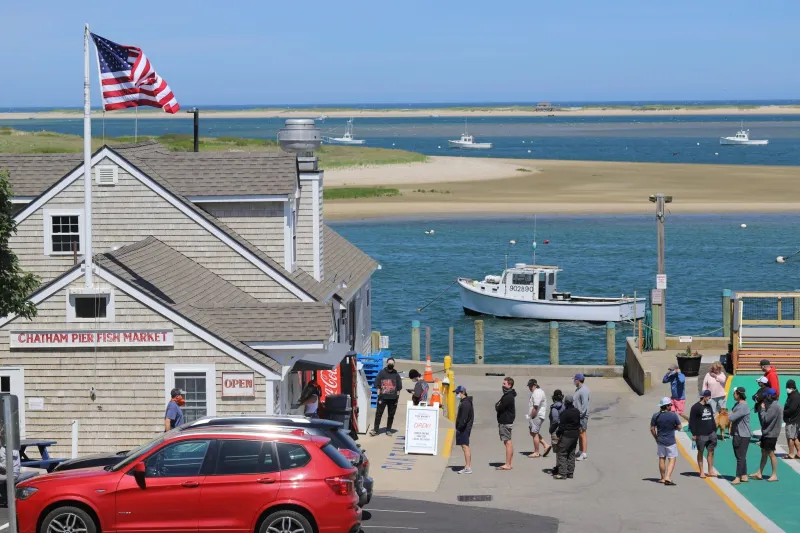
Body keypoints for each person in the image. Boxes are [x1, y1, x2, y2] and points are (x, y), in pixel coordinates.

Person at [650, 397, 682, 486]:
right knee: (672, 459)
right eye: (670, 405)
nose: (671, 406)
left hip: (660, 440)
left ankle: (663, 478)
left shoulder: (655, 415)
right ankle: (668, 476)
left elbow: (652, 429)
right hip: (671, 441)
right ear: (667, 406)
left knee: (661, 458)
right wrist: (673, 427)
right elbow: (679, 427)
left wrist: (656, 437)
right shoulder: (673, 415)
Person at [752, 388, 781, 482]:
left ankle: (774, 475)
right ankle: (759, 472)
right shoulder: (775, 405)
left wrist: (763, 409)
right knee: (764, 452)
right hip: (768, 432)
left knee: (771, 453)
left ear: (769, 396)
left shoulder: (774, 406)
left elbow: (765, 419)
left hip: (771, 434)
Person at [370, 357, 403, 436]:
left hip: (393, 399)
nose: (391, 364)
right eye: (389, 363)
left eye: (392, 363)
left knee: (391, 415)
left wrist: (397, 398)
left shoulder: (396, 374)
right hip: (383, 398)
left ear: (394, 364)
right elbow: (377, 384)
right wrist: (379, 396)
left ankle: (388, 430)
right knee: (378, 414)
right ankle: (375, 430)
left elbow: (399, 388)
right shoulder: (382, 373)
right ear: (387, 363)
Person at [688, 390, 718, 478]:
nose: (710, 398)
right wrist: (694, 434)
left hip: (711, 433)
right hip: (701, 434)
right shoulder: (695, 407)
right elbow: (692, 421)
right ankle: (701, 471)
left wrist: (714, 430)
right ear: (704, 397)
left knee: (711, 451)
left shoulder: (709, 406)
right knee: (700, 452)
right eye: (709, 397)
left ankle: (710, 471)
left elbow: (712, 418)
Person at [554, 394, 581, 480]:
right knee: (571, 453)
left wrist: (558, 434)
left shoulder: (564, 413)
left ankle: (562, 473)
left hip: (567, 435)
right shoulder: (576, 411)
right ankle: (570, 473)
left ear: (565, 403)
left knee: (562, 453)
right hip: (575, 435)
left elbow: (561, 426)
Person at [728, 387, 752, 485]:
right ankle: (744, 475)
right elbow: (731, 413)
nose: (733, 395)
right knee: (741, 456)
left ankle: (737, 477)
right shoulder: (737, 404)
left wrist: (730, 414)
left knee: (740, 457)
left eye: (734, 394)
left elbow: (731, 417)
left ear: (738, 395)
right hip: (738, 433)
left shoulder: (743, 407)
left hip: (742, 435)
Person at [495, 377, 516, 471]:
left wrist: (497, 406)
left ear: (509, 385)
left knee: (507, 442)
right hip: (507, 421)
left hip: (505, 422)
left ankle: (508, 464)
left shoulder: (508, 396)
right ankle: (509, 462)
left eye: (504, 384)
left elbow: (499, 407)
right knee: (508, 442)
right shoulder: (508, 395)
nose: (503, 385)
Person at [526, 379, 551, 458]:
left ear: (535, 385)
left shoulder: (537, 393)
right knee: (532, 432)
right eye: (529, 386)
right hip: (535, 416)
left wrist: (532, 416)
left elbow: (535, 407)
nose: (530, 387)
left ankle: (536, 452)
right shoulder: (536, 392)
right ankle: (546, 445)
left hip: (537, 416)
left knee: (535, 433)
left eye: (531, 386)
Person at [455, 385, 474, 474]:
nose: (456, 394)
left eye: (457, 393)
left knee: (465, 446)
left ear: (462, 392)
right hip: (464, 428)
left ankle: (468, 467)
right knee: (464, 446)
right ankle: (467, 466)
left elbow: (464, 418)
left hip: (464, 428)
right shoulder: (464, 402)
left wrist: (459, 427)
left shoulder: (466, 403)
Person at [573, 374, 590, 461]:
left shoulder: (584, 390)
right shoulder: (579, 389)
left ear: (578, 380)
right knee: (580, 433)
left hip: (582, 416)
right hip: (578, 415)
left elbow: (584, 405)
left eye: (574, 380)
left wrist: (579, 416)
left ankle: (584, 453)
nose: (574, 381)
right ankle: (580, 451)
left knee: (582, 434)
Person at [549, 390, 566, 476]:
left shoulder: (554, 408)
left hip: (556, 431)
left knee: (557, 450)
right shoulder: (564, 406)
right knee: (562, 450)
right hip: (564, 430)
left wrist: (551, 429)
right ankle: (560, 466)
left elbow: (555, 420)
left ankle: (559, 467)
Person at [784, 379, 800, 460]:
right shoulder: (793, 395)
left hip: (792, 420)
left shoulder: (795, 396)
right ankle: (799, 453)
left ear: (792, 387)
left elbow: (792, 409)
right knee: (795, 437)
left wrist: (783, 412)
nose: (787, 389)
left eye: (788, 387)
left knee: (790, 437)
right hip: (794, 420)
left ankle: (791, 454)